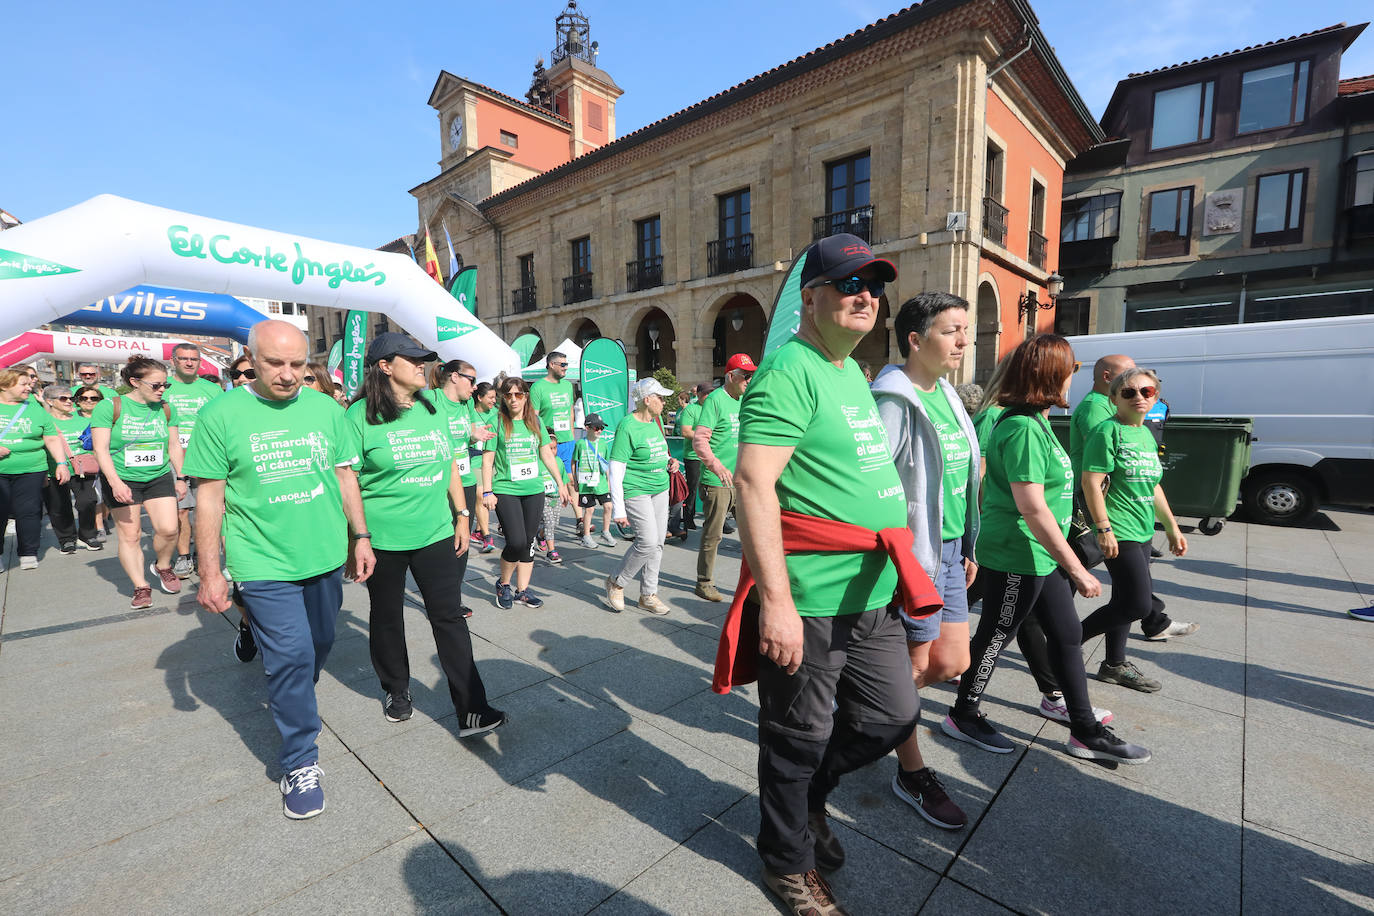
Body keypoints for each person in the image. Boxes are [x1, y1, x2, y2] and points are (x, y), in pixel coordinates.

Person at [731, 234, 923, 916]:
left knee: (894, 716)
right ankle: (787, 863)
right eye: (848, 284)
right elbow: (753, 485)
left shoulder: (850, 371)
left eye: (873, 284)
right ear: (809, 298)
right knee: (795, 739)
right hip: (811, 597)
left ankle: (810, 799)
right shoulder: (790, 370)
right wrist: (775, 605)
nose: (865, 295)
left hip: (872, 590)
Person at [186, 319, 373, 820]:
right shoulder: (221, 414)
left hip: (326, 554)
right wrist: (211, 572)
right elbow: (209, 499)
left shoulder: (326, 410)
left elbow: (344, 476)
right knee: (291, 657)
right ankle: (300, 760)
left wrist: (361, 536)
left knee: (319, 646)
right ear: (251, 359)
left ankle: (286, 686)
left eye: (297, 364)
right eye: (275, 363)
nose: (288, 375)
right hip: (261, 558)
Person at [944, 334, 1150, 766]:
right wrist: (1077, 568)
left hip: (1042, 555)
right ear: (1051, 375)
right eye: (1071, 369)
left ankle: (1085, 730)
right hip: (1021, 553)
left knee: (1068, 634)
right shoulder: (1021, 427)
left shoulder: (1035, 421)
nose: (1074, 378)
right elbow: (1032, 507)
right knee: (996, 636)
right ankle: (963, 714)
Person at [348, 333, 506, 735]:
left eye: (424, 359)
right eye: (413, 359)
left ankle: (472, 708)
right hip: (383, 538)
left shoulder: (432, 408)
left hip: (436, 532)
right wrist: (358, 537)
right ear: (385, 366)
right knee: (386, 619)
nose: (422, 365)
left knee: (449, 616)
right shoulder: (359, 415)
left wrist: (462, 514)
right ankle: (396, 689)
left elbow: (451, 463)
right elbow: (346, 479)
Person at [872, 292, 980, 831]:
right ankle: (910, 770)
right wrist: (901, 562)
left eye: (966, 329)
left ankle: (872, 708)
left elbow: (962, 479)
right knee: (914, 667)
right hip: (916, 556)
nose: (965, 340)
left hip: (953, 549)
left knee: (950, 663)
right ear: (915, 339)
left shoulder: (949, 396)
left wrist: (969, 546)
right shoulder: (893, 397)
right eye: (952, 330)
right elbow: (875, 486)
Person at [1071, 354, 1197, 642]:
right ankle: (1068, 644)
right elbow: (1091, 480)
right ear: (1114, 399)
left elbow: (1153, 486)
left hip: (1142, 528)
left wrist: (1171, 527)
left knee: (1125, 600)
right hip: (1118, 527)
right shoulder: (1107, 431)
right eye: (1128, 392)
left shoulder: (1145, 436)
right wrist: (1103, 528)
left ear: (1155, 398)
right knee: (1137, 604)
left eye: (1146, 391)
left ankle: (1114, 662)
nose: (1138, 397)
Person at [91, 356, 187, 607]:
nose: (162, 390)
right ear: (135, 382)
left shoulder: (166, 408)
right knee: (130, 535)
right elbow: (100, 450)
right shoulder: (110, 407)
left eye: (166, 385)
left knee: (168, 529)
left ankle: (163, 566)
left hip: (158, 475)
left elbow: (174, 445)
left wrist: (181, 476)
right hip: (122, 477)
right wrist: (115, 483)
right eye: (156, 385)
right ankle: (141, 586)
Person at [481, 376, 572, 609]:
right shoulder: (497, 421)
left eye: (518, 394)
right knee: (516, 541)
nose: (513, 399)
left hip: (534, 489)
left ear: (525, 397)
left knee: (528, 542)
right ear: (503, 397)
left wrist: (561, 484)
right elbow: (488, 459)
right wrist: (487, 491)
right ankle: (503, 584)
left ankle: (522, 590)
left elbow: (547, 455)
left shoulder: (536, 421)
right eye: (508, 395)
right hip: (505, 488)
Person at [605, 377, 679, 616]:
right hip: (636, 490)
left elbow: (658, 451)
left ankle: (648, 594)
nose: (663, 403)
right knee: (647, 541)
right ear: (647, 400)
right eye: (660, 398)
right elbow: (615, 469)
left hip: (660, 487)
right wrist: (619, 509)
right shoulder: (628, 425)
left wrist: (670, 461)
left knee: (657, 544)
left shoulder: (655, 422)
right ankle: (617, 581)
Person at [434, 359, 495, 616]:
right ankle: (439, 597)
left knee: (462, 541)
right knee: (440, 543)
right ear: (454, 377)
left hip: (466, 481)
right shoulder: (431, 400)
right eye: (471, 380)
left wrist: (476, 434)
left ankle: (453, 599)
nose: (474, 387)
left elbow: (467, 430)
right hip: (438, 483)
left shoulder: (467, 403)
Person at [692, 355, 754, 602]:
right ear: (731, 376)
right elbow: (699, 440)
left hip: (741, 480)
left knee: (751, 532)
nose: (749, 381)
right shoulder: (716, 400)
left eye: (751, 376)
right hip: (717, 482)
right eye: (746, 376)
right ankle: (704, 582)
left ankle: (753, 581)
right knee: (713, 534)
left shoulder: (743, 400)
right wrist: (717, 466)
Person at [164, 342, 224, 580]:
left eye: (194, 359)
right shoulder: (164, 390)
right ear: (173, 361)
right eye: (184, 359)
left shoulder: (212, 390)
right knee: (181, 510)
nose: (189, 363)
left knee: (208, 509)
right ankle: (183, 556)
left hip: (206, 456)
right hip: (173, 457)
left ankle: (205, 552)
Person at [0, 369, 71, 570]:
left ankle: (28, 552)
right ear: (5, 385)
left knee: (29, 511)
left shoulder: (34, 407)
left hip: (31, 468)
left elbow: (50, 437)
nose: (28, 387)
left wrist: (61, 463)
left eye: (28, 383)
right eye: (22, 384)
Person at [41, 385, 102, 553]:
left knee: (88, 501)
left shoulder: (84, 420)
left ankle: (87, 535)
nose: (69, 402)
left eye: (71, 398)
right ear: (49, 401)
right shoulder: (44, 421)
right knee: (58, 507)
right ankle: (67, 539)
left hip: (82, 468)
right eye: (63, 398)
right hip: (53, 470)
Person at [73, 385, 112, 537]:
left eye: (94, 398)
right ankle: (99, 527)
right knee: (95, 496)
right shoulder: (70, 417)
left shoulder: (108, 416)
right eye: (84, 398)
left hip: (108, 460)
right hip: (84, 465)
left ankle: (104, 518)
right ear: (77, 400)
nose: (89, 401)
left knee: (106, 496)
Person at [572, 413, 615, 547]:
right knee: (589, 509)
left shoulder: (603, 444)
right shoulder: (580, 444)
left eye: (602, 428)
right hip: (585, 483)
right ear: (587, 428)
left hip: (600, 482)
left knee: (608, 506)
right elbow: (574, 462)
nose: (600, 431)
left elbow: (606, 463)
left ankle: (606, 532)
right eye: (597, 428)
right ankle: (586, 536)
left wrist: (608, 481)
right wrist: (575, 480)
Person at [471, 382, 500, 553]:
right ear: (479, 397)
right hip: (475, 458)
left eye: (495, 397)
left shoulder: (497, 413)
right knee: (481, 494)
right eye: (490, 397)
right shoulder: (469, 413)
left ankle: (477, 531)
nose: (493, 400)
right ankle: (487, 536)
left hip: (494, 459)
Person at [676, 383, 709, 530]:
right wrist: (704, 438)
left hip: (711, 454)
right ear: (699, 395)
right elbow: (686, 432)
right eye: (706, 393)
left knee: (714, 487)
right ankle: (688, 517)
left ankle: (717, 520)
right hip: (693, 456)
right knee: (693, 488)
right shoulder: (691, 409)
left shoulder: (713, 408)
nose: (709, 396)